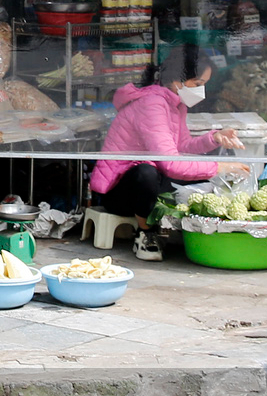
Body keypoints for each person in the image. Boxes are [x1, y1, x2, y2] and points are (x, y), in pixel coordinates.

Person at [90, 42, 246, 260]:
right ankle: (145, 234)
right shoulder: (152, 104)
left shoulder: (175, 103)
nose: (201, 90)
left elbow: (181, 146)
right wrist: (218, 167)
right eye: (198, 83)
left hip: (154, 179)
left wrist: (214, 138)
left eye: (204, 84)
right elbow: (169, 163)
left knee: (204, 177)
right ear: (177, 79)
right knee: (147, 173)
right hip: (120, 191)